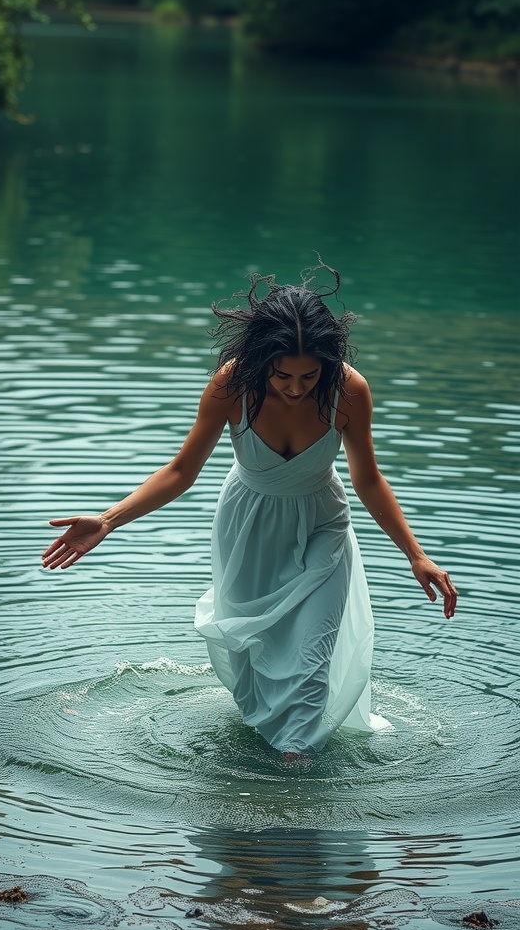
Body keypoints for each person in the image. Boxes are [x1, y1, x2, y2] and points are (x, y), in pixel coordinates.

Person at [42, 266, 457, 757]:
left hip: (323, 524)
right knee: (252, 658)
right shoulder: (232, 386)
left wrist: (416, 554)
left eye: (309, 375)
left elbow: (367, 479)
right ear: (263, 360)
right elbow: (181, 471)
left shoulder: (349, 390)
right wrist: (108, 520)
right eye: (283, 375)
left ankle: (294, 786)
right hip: (247, 526)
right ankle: (267, 784)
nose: (297, 388)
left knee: (309, 662)